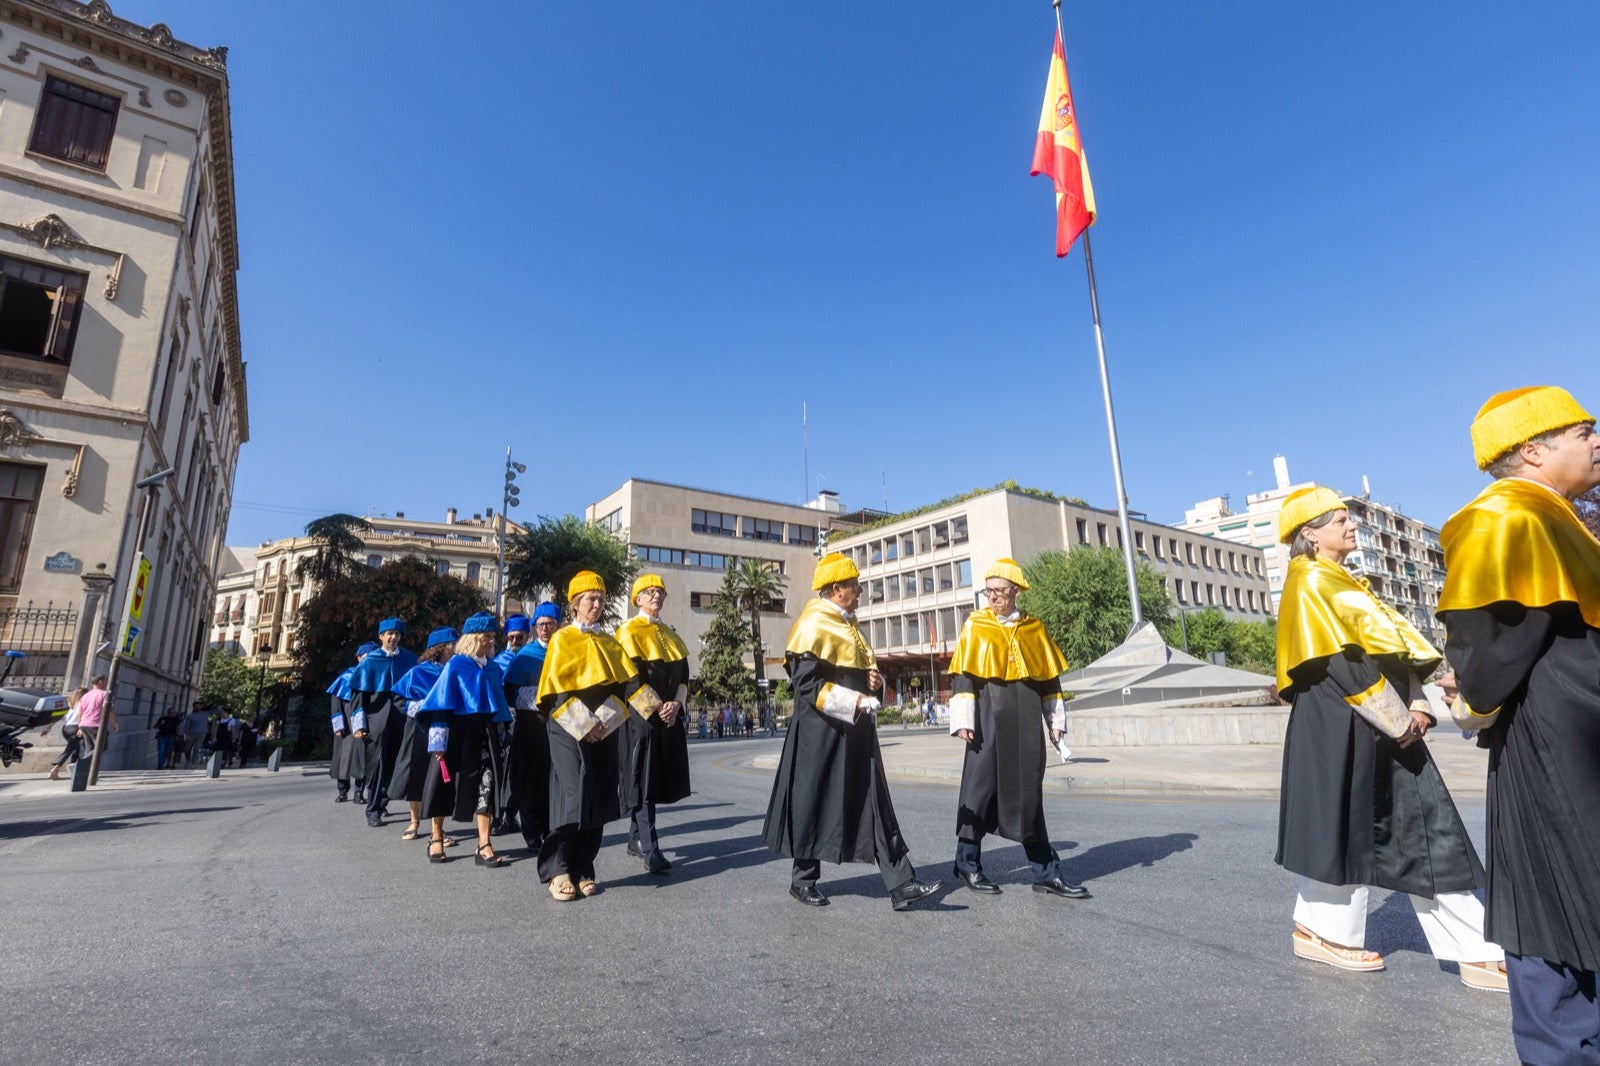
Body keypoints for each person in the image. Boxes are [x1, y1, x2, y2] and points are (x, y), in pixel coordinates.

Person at [1273, 485, 1504, 989]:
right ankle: (1326, 932)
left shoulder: (1339, 579)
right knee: (1356, 827)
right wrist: (1400, 719)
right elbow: (1342, 663)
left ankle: (1469, 946)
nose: (1351, 525)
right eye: (1339, 520)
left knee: (1396, 825)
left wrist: (1416, 701)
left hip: (1368, 722)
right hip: (1346, 722)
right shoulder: (1309, 580)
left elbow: (1389, 648)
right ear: (1309, 534)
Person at [1435, 386, 1600, 1061]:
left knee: (1556, 929)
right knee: (1559, 926)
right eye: (1583, 431)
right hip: (1557, 750)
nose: (1597, 441)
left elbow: (1479, 672)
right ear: (1532, 449)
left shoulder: (1547, 515)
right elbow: (1489, 651)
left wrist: (1464, 699)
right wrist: (1470, 690)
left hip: (1560, 746)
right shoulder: (1503, 516)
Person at [761, 553, 941, 911]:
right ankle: (803, 880)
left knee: (874, 802)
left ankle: (901, 882)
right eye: (854, 585)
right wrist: (855, 699)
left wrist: (875, 683)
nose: (860, 591)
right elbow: (806, 685)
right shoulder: (813, 622)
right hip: (820, 733)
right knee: (813, 799)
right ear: (836, 588)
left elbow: (862, 678)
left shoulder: (851, 626)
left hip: (856, 732)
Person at [945, 558, 1088, 899]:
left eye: (999, 591)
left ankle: (1045, 871)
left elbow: (1049, 680)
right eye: (988, 591)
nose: (992, 597)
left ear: (1015, 592)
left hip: (1025, 721)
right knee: (979, 790)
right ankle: (967, 863)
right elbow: (963, 676)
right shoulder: (976, 625)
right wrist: (963, 721)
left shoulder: (1034, 629)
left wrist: (1055, 723)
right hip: (987, 720)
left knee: (1029, 795)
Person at [534, 572, 645, 901]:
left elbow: (628, 688)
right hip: (568, 725)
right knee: (573, 794)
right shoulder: (562, 639)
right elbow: (555, 693)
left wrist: (606, 722)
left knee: (597, 797)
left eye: (600, 598)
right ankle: (557, 868)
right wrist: (586, 725)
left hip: (604, 727)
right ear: (575, 605)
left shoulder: (611, 643)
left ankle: (584, 867)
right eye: (590, 599)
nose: (596, 604)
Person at [416, 613, 513, 868]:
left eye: (492, 637)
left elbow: (499, 705)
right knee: (443, 785)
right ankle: (436, 836)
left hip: (485, 733)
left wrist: (502, 734)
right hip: (456, 732)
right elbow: (440, 705)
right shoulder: (456, 665)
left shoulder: (492, 667)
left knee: (487, 785)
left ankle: (484, 843)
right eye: (487, 637)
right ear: (473, 638)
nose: (491, 641)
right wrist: (437, 742)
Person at [615, 574, 692, 875]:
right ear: (637, 599)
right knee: (642, 778)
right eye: (650, 592)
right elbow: (629, 679)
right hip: (641, 718)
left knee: (653, 778)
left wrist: (677, 704)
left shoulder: (670, 634)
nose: (657, 595)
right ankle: (651, 848)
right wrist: (659, 708)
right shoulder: (627, 631)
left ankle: (636, 838)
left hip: (668, 716)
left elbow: (684, 675)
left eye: (660, 591)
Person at [387, 627, 458, 844]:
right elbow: (398, 699)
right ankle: (414, 821)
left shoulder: (453, 671)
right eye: (454, 643)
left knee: (440, 780)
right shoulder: (419, 672)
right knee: (416, 776)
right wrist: (423, 707)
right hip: (418, 730)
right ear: (442, 647)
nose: (457, 647)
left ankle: (439, 829)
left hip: (445, 729)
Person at [348, 619, 418, 827]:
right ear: (380, 636)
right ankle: (373, 809)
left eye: (396, 633)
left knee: (398, 762)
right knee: (377, 763)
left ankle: (383, 799)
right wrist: (359, 724)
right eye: (388, 633)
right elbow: (358, 695)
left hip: (402, 719)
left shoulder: (408, 659)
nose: (393, 637)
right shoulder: (371, 661)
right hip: (377, 720)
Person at [503, 602, 560, 852]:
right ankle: (531, 832)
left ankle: (551, 828)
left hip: (559, 726)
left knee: (553, 779)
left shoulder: (565, 652)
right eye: (540, 624)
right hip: (530, 726)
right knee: (529, 780)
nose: (545, 628)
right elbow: (509, 692)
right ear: (534, 628)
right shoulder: (524, 656)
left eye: (549, 624)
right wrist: (540, 699)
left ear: (558, 626)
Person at [327, 644, 375, 803]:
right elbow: (336, 701)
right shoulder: (347, 676)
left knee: (362, 758)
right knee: (345, 758)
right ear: (359, 657)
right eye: (367, 655)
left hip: (367, 720)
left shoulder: (374, 676)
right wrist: (338, 725)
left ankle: (359, 793)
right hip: (347, 722)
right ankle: (342, 790)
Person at [45, 687, 86, 780]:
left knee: (77, 748)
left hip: (66, 729)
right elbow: (82, 717)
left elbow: (58, 716)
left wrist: (48, 728)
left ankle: (74, 771)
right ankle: (56, 768)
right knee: (70, 749)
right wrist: (81, 728)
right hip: (76, 728)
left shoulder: (69, 704)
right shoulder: (83, 704)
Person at [75, 676, 116, 764]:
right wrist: (115, 723)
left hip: (84, 724)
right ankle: (80, 765)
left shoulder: (85, 696)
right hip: (96, 725)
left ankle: (85, 771)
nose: (105, 684)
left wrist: (79, 726)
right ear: (100, 681)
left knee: (89, 748)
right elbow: (110, 710)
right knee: (101, 747)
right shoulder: (104, 694)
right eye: (105, 681)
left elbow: (80, 712)